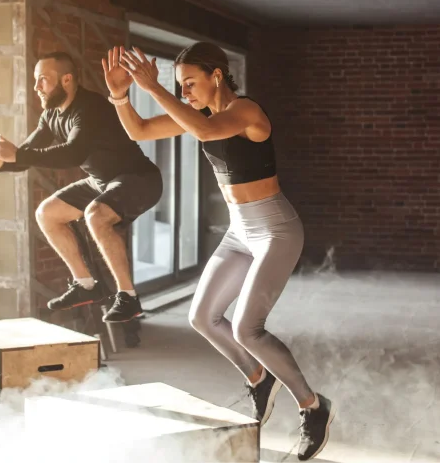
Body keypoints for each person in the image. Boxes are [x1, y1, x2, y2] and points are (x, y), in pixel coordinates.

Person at [101, 43, 335, 460]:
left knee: (248, 329)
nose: (186, 92)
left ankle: (313, 407)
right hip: (240, 231)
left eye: (190, 83)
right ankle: (258, 377)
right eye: (180, 86)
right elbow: (139, 131)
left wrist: (154, 88)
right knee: (202, 316)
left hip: (276, 230)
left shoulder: (247, 112)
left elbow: (207, 133)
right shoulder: (202, 116)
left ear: (217, 75)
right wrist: (121, 96)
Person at [0, 51, 162, 323]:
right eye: (35, 80)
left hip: (139, 178)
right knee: (47, 213)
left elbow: (73, 154)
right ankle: (86, 285)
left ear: (66, 80)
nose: (36, 87)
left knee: (96, 214)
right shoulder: (51, 114)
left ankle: (128, 298)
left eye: (42, 80)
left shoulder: (91, 107)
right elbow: (26, 154)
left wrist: (16, 155)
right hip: (101, 181)